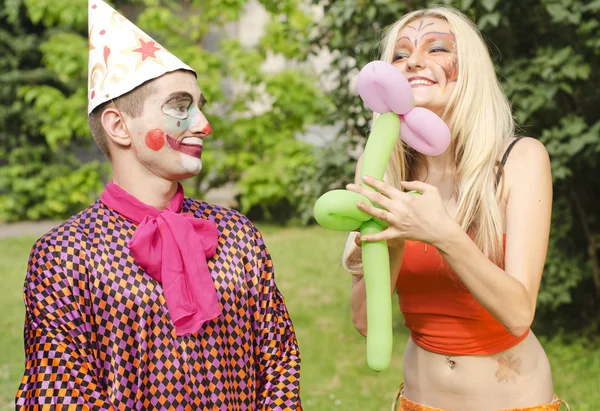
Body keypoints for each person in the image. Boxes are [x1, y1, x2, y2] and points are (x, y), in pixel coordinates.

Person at [15, 1, 302, 409]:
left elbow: (279, 362)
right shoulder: (64, 254)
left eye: (200, 106)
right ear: (119, 126)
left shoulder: (237, 234)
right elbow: (60, 391)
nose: (203, 124)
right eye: (181, 107)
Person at [342, 6, 569, 411]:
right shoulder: (381, 167)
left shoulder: (520, 159)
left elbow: (518, 314)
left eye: (437, 48)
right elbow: (363, 321)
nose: (413, 60)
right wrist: (390, 241)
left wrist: (442, 233)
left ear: (470, 69)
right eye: (400, 53)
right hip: (418, 401)